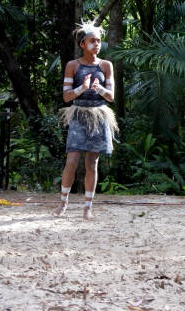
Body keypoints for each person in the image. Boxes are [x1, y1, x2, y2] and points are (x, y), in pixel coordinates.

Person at [52, 22, 118, 220]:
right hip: (79, 115)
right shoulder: (73, 66)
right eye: (92, 41)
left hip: (99, 115)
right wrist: (82, 88)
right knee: (71, 161)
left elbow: (111, 97)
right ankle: (63, 203)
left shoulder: (106, 65)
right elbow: (66, 97)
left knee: (92, 163)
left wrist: (99, 89)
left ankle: (88, 207)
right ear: (82, 44)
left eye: (98, 41)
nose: (97, 45)